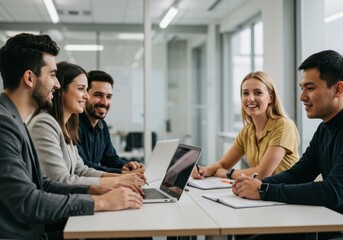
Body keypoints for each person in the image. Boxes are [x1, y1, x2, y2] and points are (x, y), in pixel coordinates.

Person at [0, 33, 143, 239]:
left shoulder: (16, 120)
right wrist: (102, 202)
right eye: (52, 75)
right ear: (30, 78)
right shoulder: (5, 124)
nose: (57, 85)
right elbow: (27, 202)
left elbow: (44, 183)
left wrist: (97, 191)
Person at [233, 50, 343, 240]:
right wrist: (253, 184)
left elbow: (333, 191)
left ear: (338, 89)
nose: (302, 97)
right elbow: (298, 174)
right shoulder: (324, 129)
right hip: (324, 222)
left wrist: (262, 190)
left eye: (310, 88)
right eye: (302, 88)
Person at [27, 61, 145, 191]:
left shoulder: (67, 126)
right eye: (81, 88)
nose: (86, 96)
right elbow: (60, 181)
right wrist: (118, 180)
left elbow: (80, 169)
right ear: (60, 90)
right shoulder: (43, 124)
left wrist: (124, 176)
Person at [192, 71, 300, 180]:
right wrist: (204, 170)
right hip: (261, 193)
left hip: (284, 194)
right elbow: (223, 164)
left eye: (258, 93)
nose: (250, 98)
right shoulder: (248, 131)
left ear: (270, 98)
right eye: (245, 93)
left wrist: (228, 174)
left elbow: (262, 174)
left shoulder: (284, 126)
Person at [77, 70, 145, 174]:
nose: (104, 102)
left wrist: (126, 166)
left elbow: (110, 159)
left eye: (108, 97)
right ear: (85, 95)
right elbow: (83, 166)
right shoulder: (74, 124)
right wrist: (121, 173)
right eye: (98, 95)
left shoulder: (102, 126)